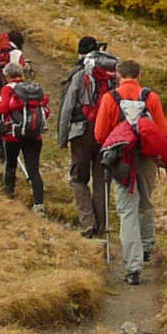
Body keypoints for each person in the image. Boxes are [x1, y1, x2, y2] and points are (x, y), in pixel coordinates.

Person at [93, 59, 167, 285]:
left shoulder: (110, 99)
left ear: (118, 75)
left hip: (121, 160)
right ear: (139, 74)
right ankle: (147, 246)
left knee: (127, 210)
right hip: (147, 158)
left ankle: (133, 267)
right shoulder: (151, 97)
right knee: (146, 201)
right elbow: (163, 131)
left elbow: (100, 135)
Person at [57, 36, 117, 238]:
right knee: (101, 180)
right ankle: (101, 226)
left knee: (78, 178)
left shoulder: (79, 74)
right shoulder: (111, 75)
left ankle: (87, 222)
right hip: (106, 134)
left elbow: (67, 108)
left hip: (81, 132)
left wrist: (62, 137)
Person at [0, 63, 48, 212]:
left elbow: (3, 107)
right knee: (33, 168)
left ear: (7, 76)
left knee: (11, 164)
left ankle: (8, 194)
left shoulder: (8, 89)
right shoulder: (34, 89)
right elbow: (46, 110)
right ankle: (39, 203)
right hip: (34, 135)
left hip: (13, 135)